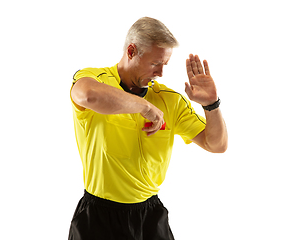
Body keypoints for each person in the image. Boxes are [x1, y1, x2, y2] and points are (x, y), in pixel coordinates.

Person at [68, 17, 228, 240]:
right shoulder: (95, 78)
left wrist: (211, 105)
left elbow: (217, 144)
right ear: (131, 51)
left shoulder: (170, 101)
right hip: (98, 217)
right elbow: (86, 95)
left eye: (165, 64)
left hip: (150, 218)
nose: (161, 73)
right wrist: (144, 106)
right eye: (155, 63)